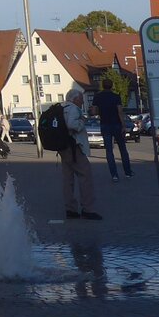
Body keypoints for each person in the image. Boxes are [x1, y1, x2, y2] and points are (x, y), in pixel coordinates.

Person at [61, 87, 101, 220]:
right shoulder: (73, 108)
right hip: (74, 147)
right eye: (81, 99)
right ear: (75, 99)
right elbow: (71, 124)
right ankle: (88, 209)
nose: (82, 102)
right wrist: (82, 122)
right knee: (85, 175)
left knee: (68, 178)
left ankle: (70, 209)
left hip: (63, 147)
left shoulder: (62, 107)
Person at [90, 77, 133, 182]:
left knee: (109, 151)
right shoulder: (116, 97)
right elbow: (119, 111)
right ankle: (128, 172)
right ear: (112, 86)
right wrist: (123, 125)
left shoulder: (98, 97)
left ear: (103, 86)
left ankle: (114, 175)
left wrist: (100, 112)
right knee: (123, 149)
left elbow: (94, 112)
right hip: (116, 124)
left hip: (105, 124)